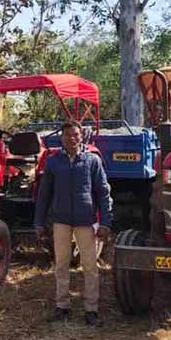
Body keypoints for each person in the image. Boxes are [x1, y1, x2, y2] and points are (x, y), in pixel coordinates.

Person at [34, 120, 112, 327]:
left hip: (85, 221)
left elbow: (103, 192)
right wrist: (39, 222)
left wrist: (105, 222)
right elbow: (44, 194)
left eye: (76, 134)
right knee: (61, 264)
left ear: (81, 136)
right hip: (60, 221)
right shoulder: (53, 162)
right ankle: (62, 306)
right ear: (62, 138)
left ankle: (91, 310)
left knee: (90, 266)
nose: (72, 138)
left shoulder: (92, 160)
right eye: (68, 135)